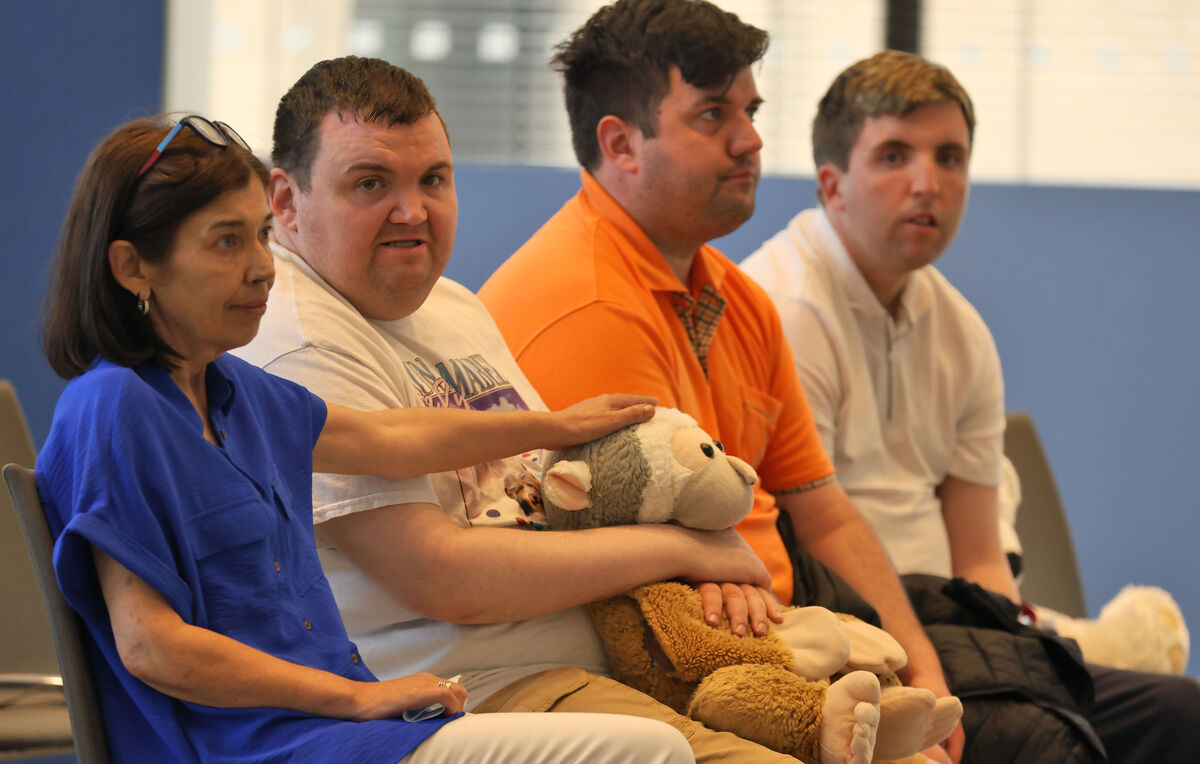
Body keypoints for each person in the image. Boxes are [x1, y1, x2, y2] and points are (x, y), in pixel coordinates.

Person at [36, 114, 693, 764]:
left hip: (334, 728)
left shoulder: (232, 389)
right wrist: (350, 700)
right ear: (132, 267)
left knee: (647, 745)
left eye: (262, 234)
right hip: (256, 745)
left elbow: (394, 437)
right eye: (226, 243)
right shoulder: (113, 405)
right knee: (645, 750)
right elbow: (152, 645)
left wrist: (559, 425)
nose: (263, 267)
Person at [235, 55, 802, 762]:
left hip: (607, 657)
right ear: (284, 200)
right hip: (472, 693)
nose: (411, 212)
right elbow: (442, 579)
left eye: (433, 180)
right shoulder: (295, 337)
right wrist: (690, 547)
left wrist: (702, 569)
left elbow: (562, 496)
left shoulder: (452, 304)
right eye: (371, 183)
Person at [478, 2, 959, 761]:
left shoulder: (737, 296)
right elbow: (664, 590)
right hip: (694, 669)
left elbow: (824, 513)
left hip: (798, 630)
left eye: (751, 110)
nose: (751, 139)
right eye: (712, 115)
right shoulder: (590, 303)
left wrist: (924, 676)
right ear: (621, 144)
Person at [738, 50, 1200, 763]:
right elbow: (805, 542)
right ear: (832, 185)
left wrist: (1014, 653)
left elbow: (981, 551)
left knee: (1178, 714)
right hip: (846, 634)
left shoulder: (963, 331)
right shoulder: (785, 309)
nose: (928, 183)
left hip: (954, 625)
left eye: (950, 157)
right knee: (1056, 743)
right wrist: (922, 673)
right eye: (895, 155)